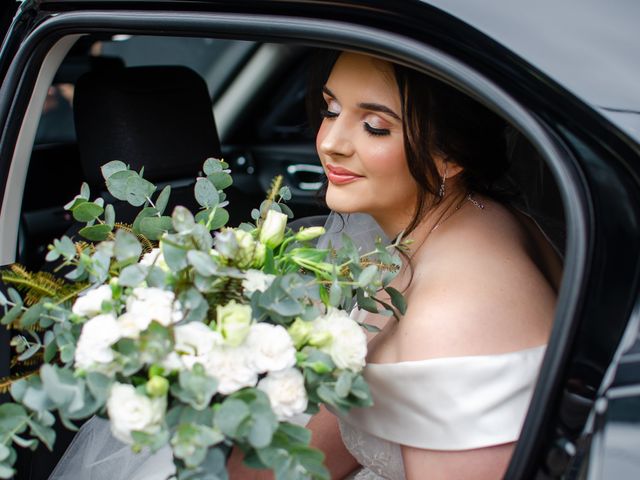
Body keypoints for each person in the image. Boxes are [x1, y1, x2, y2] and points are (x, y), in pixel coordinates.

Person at [228, 51, 561, 479]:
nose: (331, 142)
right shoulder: (459, 224)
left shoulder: (454, 316)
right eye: (331, 110)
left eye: (375, 127)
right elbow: (360, 408)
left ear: (450, 156)